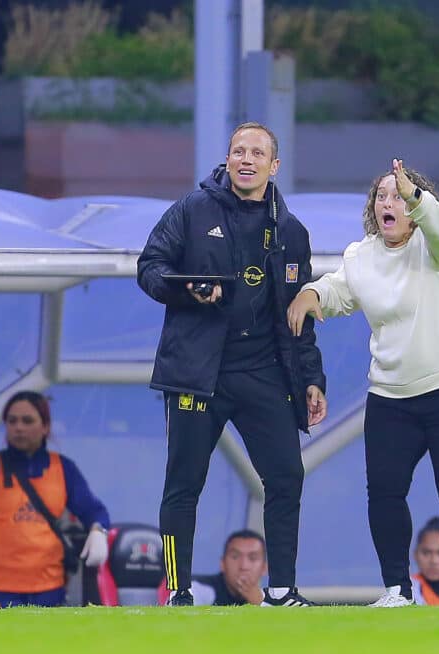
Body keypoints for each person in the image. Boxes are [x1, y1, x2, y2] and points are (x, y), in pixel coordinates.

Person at [137, 122, 327, 608]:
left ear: (273, 165)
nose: (247, 159)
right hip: (199, 373)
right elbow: (150, 267)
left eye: (257, 153)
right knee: (184, 482)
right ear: (227, 159)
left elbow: (301, 316)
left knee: (286, 476)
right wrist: (187, 288)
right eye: (239, 150)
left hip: (264, 371)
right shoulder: (191, 210)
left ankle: (282, 589)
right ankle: (177, 591)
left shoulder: (291, 230)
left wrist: (312, 379)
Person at [288, 159, 439, 608]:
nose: (389, 203)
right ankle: (398, 589)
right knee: (383, 489)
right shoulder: (361, 256)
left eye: (398, 196)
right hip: (392, 396)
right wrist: (311, 294)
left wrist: (417, 197)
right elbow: (341, 290)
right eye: (382, 196)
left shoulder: (438, 244)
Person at [0, 391, 111, 608]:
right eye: (12, 421)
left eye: (27, 421)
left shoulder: (63, 469)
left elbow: (94, 510)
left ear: (45, 427)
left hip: (49, 588)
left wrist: (99, 531)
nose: (18, 427)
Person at [183, 530, 268, 606]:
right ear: (222, 564)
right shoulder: (196, 590)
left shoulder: (270, 599)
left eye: (253, 558)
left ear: (264, 568)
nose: (243, 566)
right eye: (235, 557)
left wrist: (260, 604)